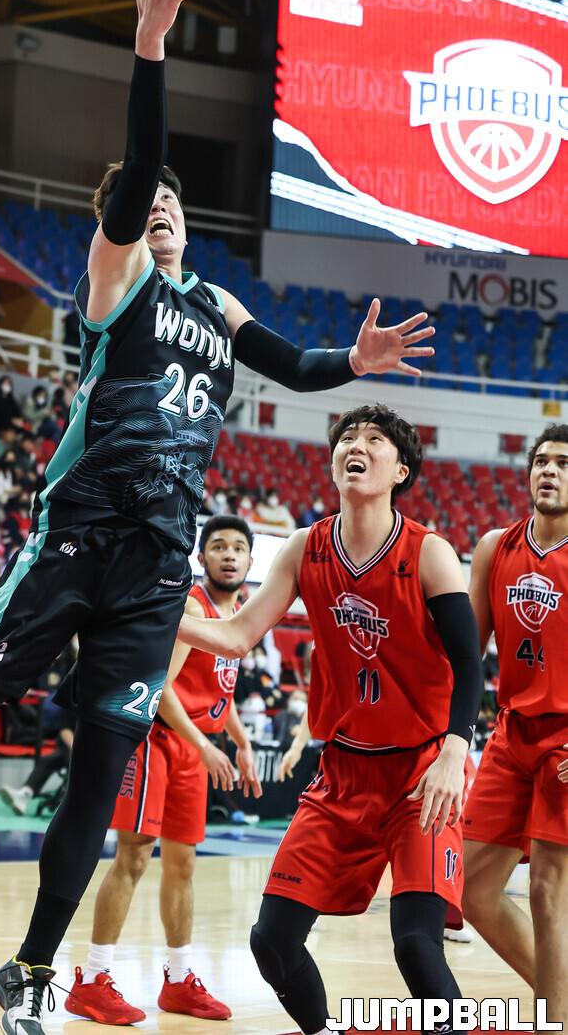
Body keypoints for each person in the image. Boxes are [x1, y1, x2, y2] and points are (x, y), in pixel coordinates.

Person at [0, 0, 434, 1034]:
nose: (160, 205)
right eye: (147, 199)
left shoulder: (216, 304)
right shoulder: (116, 275)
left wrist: (351, 362)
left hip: (158, 564)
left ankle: (33, 969)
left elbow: (293, 365)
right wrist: (151, 48)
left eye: (172, 200)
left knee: (100, 771)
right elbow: (140, 169)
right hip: (81, 530)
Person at [177, 404, 483, 1033]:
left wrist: (456, 749)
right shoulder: (304, 546)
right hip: (342, 773)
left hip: (421, 772)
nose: (356, 446)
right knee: (271, 940)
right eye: (347, 437)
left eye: (374, 439)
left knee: (416, 945)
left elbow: (469, 665)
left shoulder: (430, 554)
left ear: (401, 470)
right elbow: (237, 636)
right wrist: (150, 615)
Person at [64, 514, 260, 1026]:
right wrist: (205, 745)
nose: (229, 555)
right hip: (157, 741)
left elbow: (220, 690)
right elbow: (162, 686)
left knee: (183, 865)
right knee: (133, 855)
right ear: (203, 557)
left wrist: (239, 741)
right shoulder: (192, 607)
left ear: (250, 560)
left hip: (195, 748)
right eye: (218, 546)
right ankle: (91, 980)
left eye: (238, 548)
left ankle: (177, 979)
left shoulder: (238, 612)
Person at [461, 423, 568, 1028]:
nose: (549, 470)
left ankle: (556, 1018)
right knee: (472, 892)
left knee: (548, 892)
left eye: (564, 463)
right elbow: (466, 653)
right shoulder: (494, 547)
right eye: (541, 461)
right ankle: (564, 999)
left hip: (566, 740)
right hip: (511, 734)